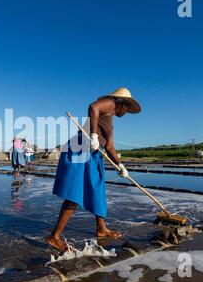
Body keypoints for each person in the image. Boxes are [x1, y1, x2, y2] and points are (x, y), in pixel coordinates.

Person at [46, 88, 141, 253]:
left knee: (98, 190)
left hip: (93, 153)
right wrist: (95, 136)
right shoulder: (110, 104)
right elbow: (93, 107)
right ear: (122, 104)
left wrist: (121, 165)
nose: (127, 113)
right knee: (75, 193)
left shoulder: (110, 120)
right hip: (80, 148)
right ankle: (54, 237)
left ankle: (101, 228)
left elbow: (110, 146)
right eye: (127, 108)